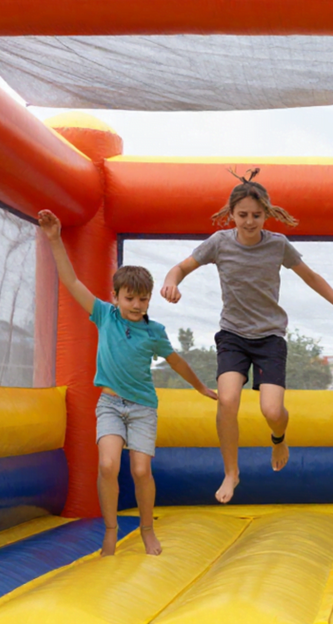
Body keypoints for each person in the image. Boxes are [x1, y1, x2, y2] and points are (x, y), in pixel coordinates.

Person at [160, 169, 333, 504]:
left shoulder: (278, 245)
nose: (250, 221)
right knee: (228, 400)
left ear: (266, 215)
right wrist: (172, 281)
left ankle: (279, 437)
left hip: (269, 336)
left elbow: (311, 277)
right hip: (232, 334)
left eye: (257, 215)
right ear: (231, 215)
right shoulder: (219, 243)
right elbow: (180, 267)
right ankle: (231, 471)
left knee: (272, 410)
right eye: (242, 215)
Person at [38, 209, 217, 557]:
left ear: (149, 299)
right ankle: (110, 530)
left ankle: (147, 529)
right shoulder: (104, 315)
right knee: (107, 464)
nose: (136, 305)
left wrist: (199, 387)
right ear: (116, 297)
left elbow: (175, 360)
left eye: (143, 299)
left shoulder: (154, 332)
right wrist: (55, 239)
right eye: (129, 298)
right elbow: (72, 281)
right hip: (109, 404)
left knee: (139, 468)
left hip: (142, 408)